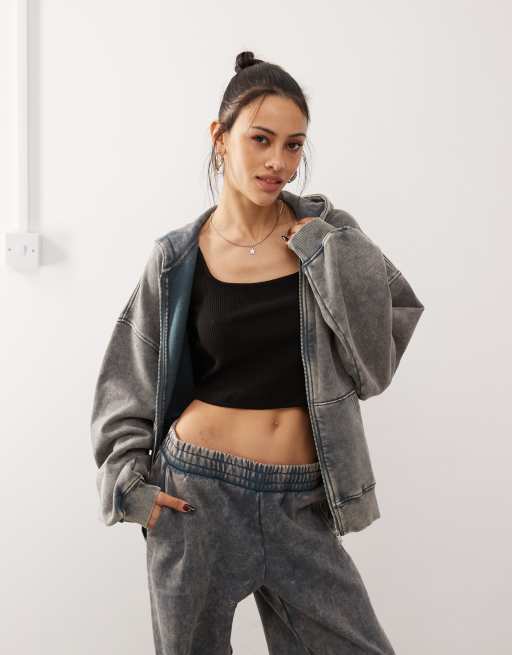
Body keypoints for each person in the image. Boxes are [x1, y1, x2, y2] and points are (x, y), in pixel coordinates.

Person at [91, 50, 425, 655]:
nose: (279, 163)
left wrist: (320, 251)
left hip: (303, 498)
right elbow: (127, 380)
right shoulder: (175, 259)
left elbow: (376, 359)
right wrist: (129, 486)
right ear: (220, 138)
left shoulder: (327, 234)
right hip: (196, 496)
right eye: (261, 139)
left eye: (294, 146)